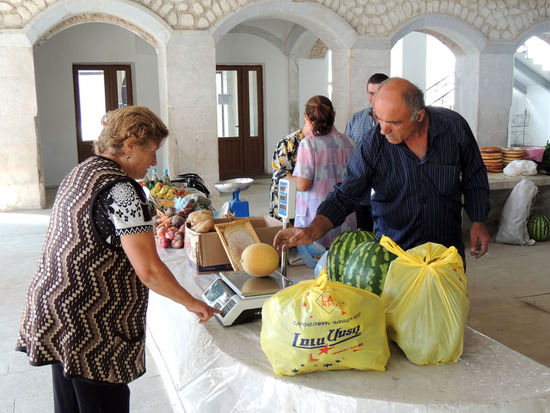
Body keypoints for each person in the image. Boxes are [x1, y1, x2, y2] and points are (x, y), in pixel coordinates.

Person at [16, 106, 219, 412]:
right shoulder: (123, 191)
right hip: (89, 323)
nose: (153, 162)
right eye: (152, 152)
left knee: (70, 404)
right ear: (129, 146)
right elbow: (149, 270)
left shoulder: (83, 170)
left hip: (55, 309)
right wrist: (192, 302)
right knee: (100, 403)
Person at [274, 78, 491, 265]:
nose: (383, 129)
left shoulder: (453, 128)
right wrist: (312, 229)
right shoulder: (373, 143)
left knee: (447, 311)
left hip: (445, 249)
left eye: (393, 123)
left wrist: (478, 221)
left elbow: (475, 175)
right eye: (378, 118)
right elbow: (345, 195)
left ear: (419, 116)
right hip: (394, 253)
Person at [289, 95, 357, 250]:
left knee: (319, 265)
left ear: (307, 117)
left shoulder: (309, 144)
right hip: (343, 215)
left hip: (317, 218)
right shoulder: (349, 142)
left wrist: (288, 177)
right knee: (341, 259)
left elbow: (303, 184)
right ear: (333, 114)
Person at [345, 73, 389, 232]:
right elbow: (348, 155)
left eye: (379, 92)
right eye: (371, 93)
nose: (374, 97)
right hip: (360, 196)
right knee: (362, 239)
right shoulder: (355, 120)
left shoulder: (398, 122)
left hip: (388, 197)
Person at [268, 122, 312, 220]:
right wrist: (304, 182)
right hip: (287, 201)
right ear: (307, 117)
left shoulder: (321, 143)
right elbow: (280, 175)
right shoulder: (288, 143)